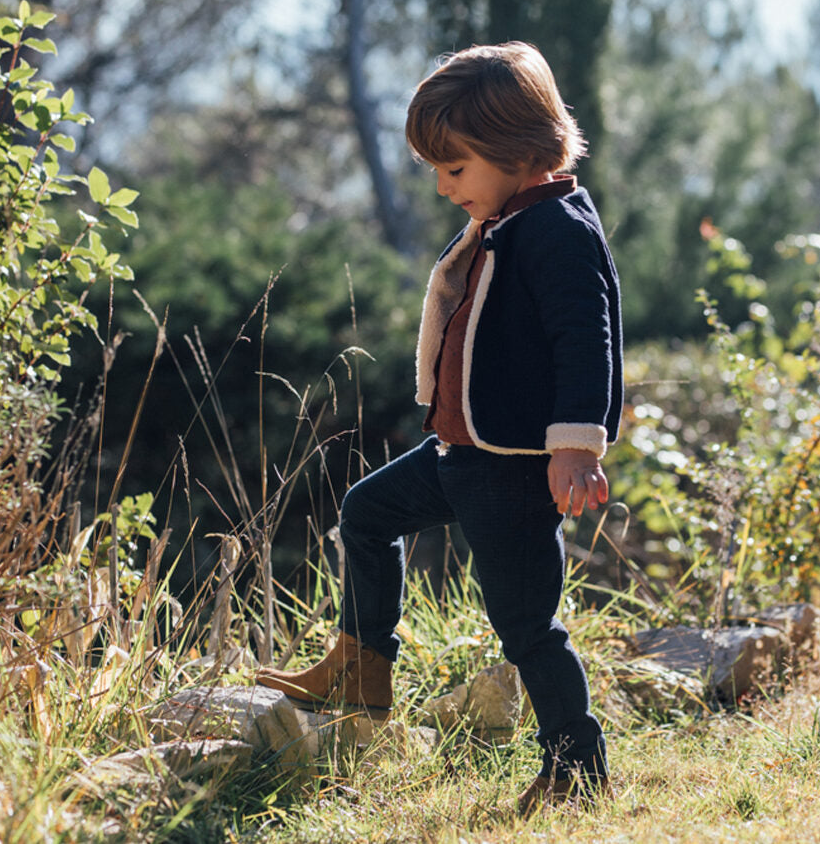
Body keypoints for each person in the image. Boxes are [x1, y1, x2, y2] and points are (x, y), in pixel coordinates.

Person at [256, 42, 622, 814]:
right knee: (366, 512)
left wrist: (574, 447)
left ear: (519, 152)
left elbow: (586, 341)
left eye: (453, 168)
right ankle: (363, 664)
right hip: (460, 451)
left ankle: (574, 767)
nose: (440, 186)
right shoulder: (511, 219)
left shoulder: (555, 228)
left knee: (526, 628)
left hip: (512, 465)